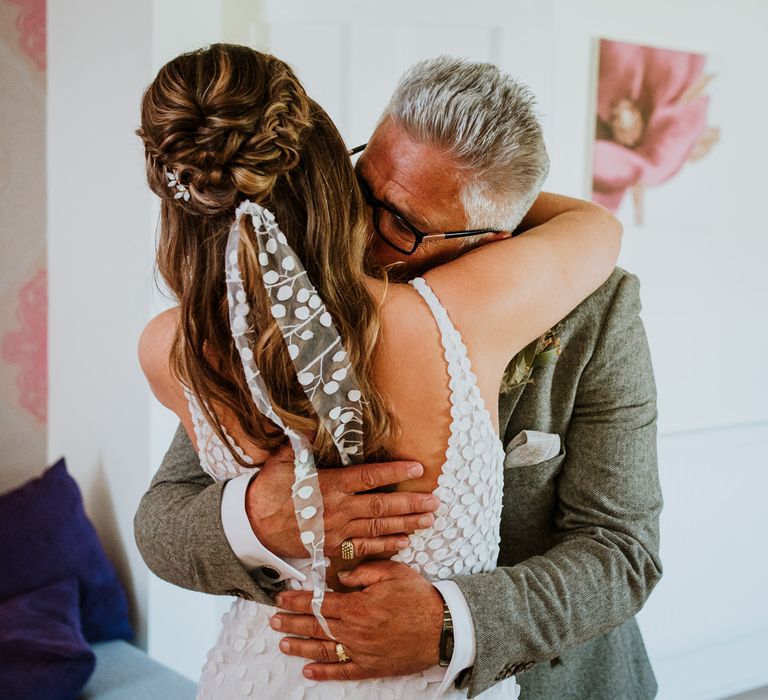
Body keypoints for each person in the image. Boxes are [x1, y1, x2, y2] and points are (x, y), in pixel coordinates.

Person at [134, 47, 651, 699]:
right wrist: (252, 516)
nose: (361, 231)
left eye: (404, 224)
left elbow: (623, 551)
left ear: (494, 241)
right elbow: (161, 520)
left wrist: (453, 623)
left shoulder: (594, 309)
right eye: (360, 188)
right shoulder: (267, 299)